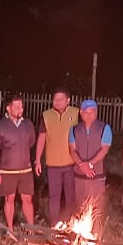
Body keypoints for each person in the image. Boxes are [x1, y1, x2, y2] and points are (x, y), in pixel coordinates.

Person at [0, 95, 37, 233]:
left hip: (25, 170)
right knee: (9, 199)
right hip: (7, 171)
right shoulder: (0, 126)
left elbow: (32, 142)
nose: (20, 109)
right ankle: (10, 229)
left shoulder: (28, 124)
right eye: (16, 106)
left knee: (28, 199)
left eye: (21, 106)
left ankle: (31, 229)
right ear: (8, 108)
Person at [35, 88, 80, 224]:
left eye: (61, 99)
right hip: (53, 164)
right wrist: (37, 160)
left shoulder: (76, 113)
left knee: (70, 196)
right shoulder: (46, 116)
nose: (58, 102)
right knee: (54, 196)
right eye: (55, 100)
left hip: (71, 163)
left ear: (68, 100)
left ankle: (70, 223)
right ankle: (54, 224)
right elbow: (41, 138)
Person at [69, 99, 112, 207]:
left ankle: (97, 225)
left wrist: (90, 164)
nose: (89, 115)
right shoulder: (74, 129)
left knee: (96, 206)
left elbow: (105, 149)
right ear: (81, 113)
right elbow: (72, 150)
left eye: (92, 111)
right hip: (79, 175)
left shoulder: (104, 128)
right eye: (86, 112)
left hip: (97, 174)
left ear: (96, 112)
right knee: (80, 206)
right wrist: (82, 165)